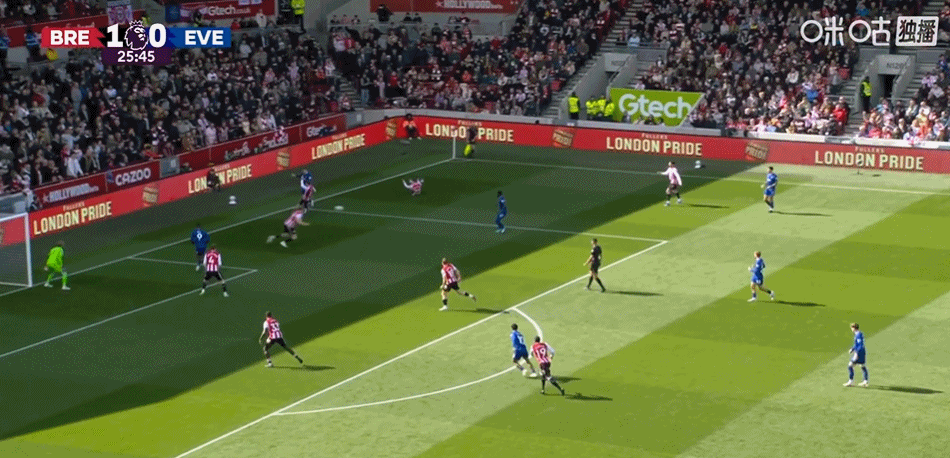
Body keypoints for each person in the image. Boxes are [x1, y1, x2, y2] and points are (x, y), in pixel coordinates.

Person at [844, 323, 869, 387]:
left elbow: (860, 345)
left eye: (852, 328)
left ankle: (850, 381)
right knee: (862, 366)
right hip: (862, 352)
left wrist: (857, 353)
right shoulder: (858, 334)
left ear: (854, 328)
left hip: (859, 352)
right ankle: (865, 381)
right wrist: (852, 349)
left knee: (850, 366)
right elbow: (857, 344)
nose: (851, 329)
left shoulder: (858, 335)